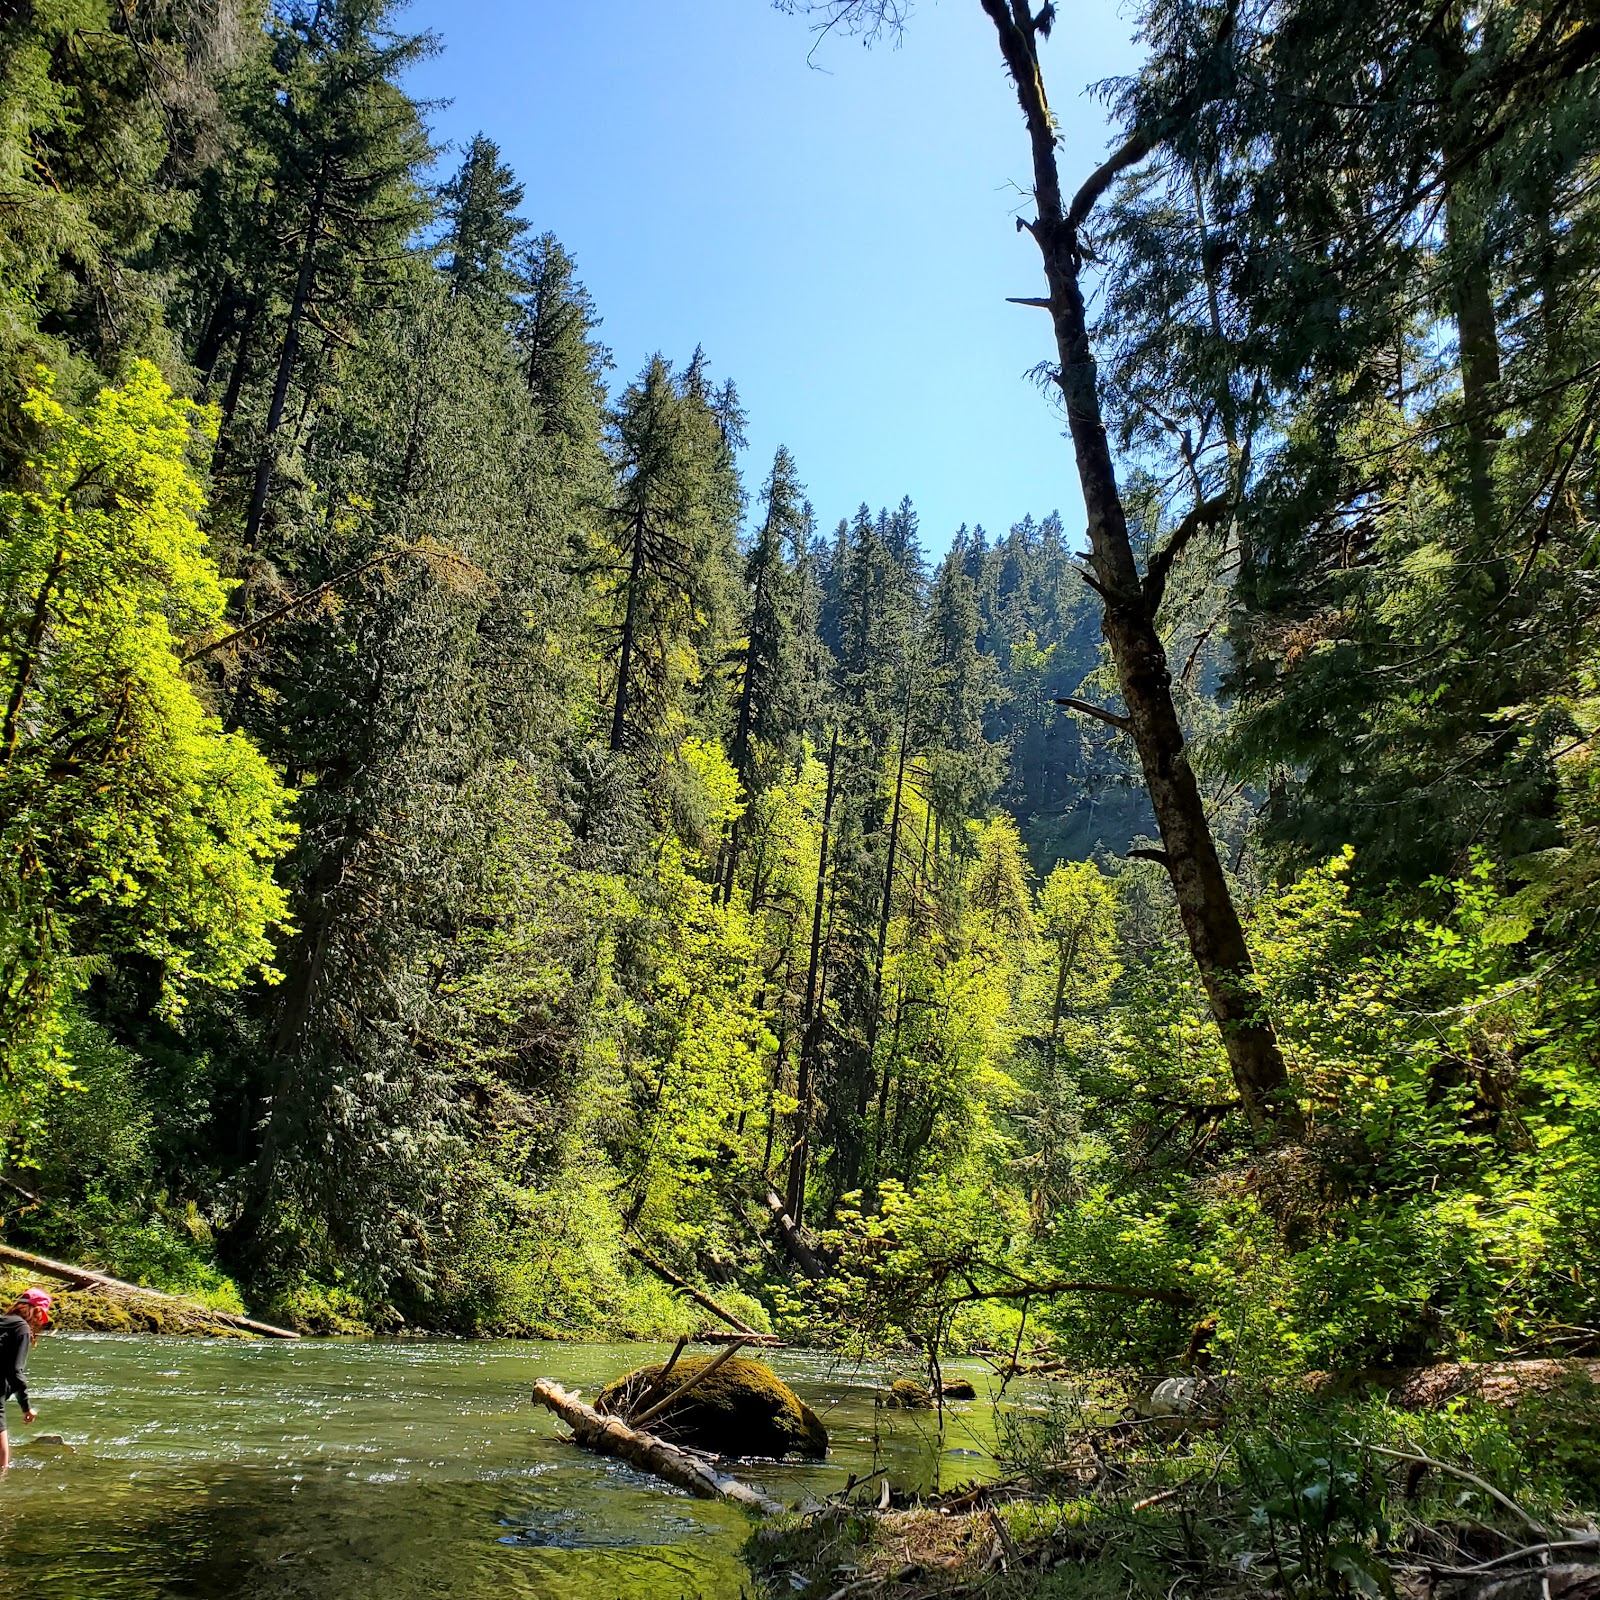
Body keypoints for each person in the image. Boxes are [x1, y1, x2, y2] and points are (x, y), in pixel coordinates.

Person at [0, 1288, 52, 1472]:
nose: (40, 1322)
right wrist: (26, 1407)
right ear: (36, 1310)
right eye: (40, 1316)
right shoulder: (21, 1328)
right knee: (2, 1462)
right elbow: (15, 1371)